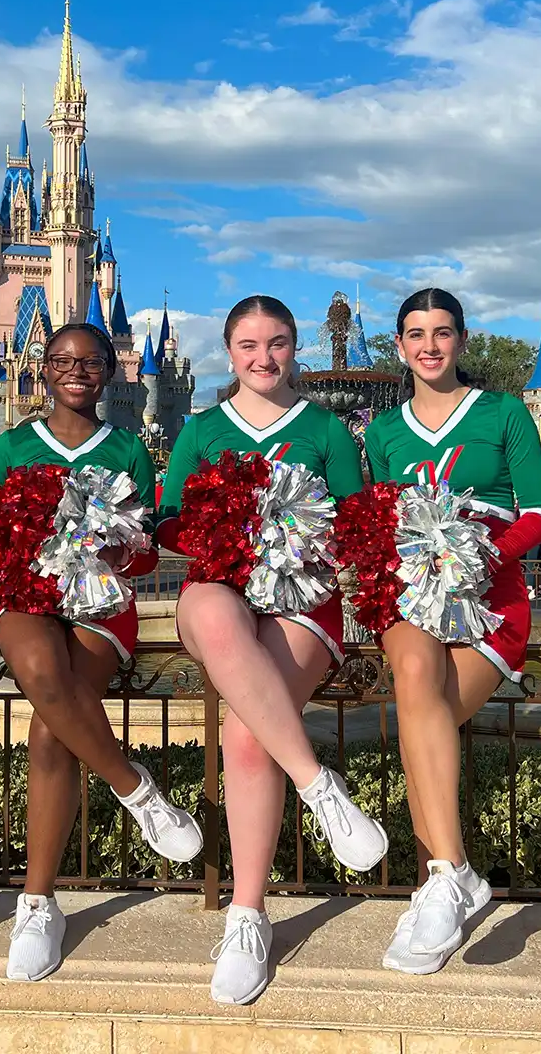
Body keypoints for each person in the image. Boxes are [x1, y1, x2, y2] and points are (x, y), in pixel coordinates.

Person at [160, 295, 387, 1006]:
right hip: (218, 591)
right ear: (229, 350)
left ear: (296, 349)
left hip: (300, 600)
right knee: (216, 615)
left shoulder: (327, 430)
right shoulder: (200, 430)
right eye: (250, 345)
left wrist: (296, 538)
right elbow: (167, 522)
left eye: (279, 343)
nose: (265, 358)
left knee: (247, 735)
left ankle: (247, 915)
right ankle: (319, 787)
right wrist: (227, 533)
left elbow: (353, 525)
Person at [0, 323, 202, 983]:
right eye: (63, 360)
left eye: (91, 361)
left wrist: (115, 550)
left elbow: (143, 551)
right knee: (46, 675)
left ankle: (37, 902)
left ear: (111, 371)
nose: (77, 370)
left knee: (53, 735)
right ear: (43, 369)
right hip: (23, 597)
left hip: (100, 606)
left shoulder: (129, 449)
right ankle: (135, 789)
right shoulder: (11, 446)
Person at [363, 288, 541, 976]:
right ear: (399, 345)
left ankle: (436, 886)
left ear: (463, 341)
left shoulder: (502, 412)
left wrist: (479, 553)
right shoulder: (383, 432)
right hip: (413, 601)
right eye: (416, 333)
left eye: (443, 332)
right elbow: (381, 521)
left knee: (425, 719)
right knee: (416, 677)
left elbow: (540, 509)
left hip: (489, 603)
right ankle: (450, 876)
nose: (430, 345)